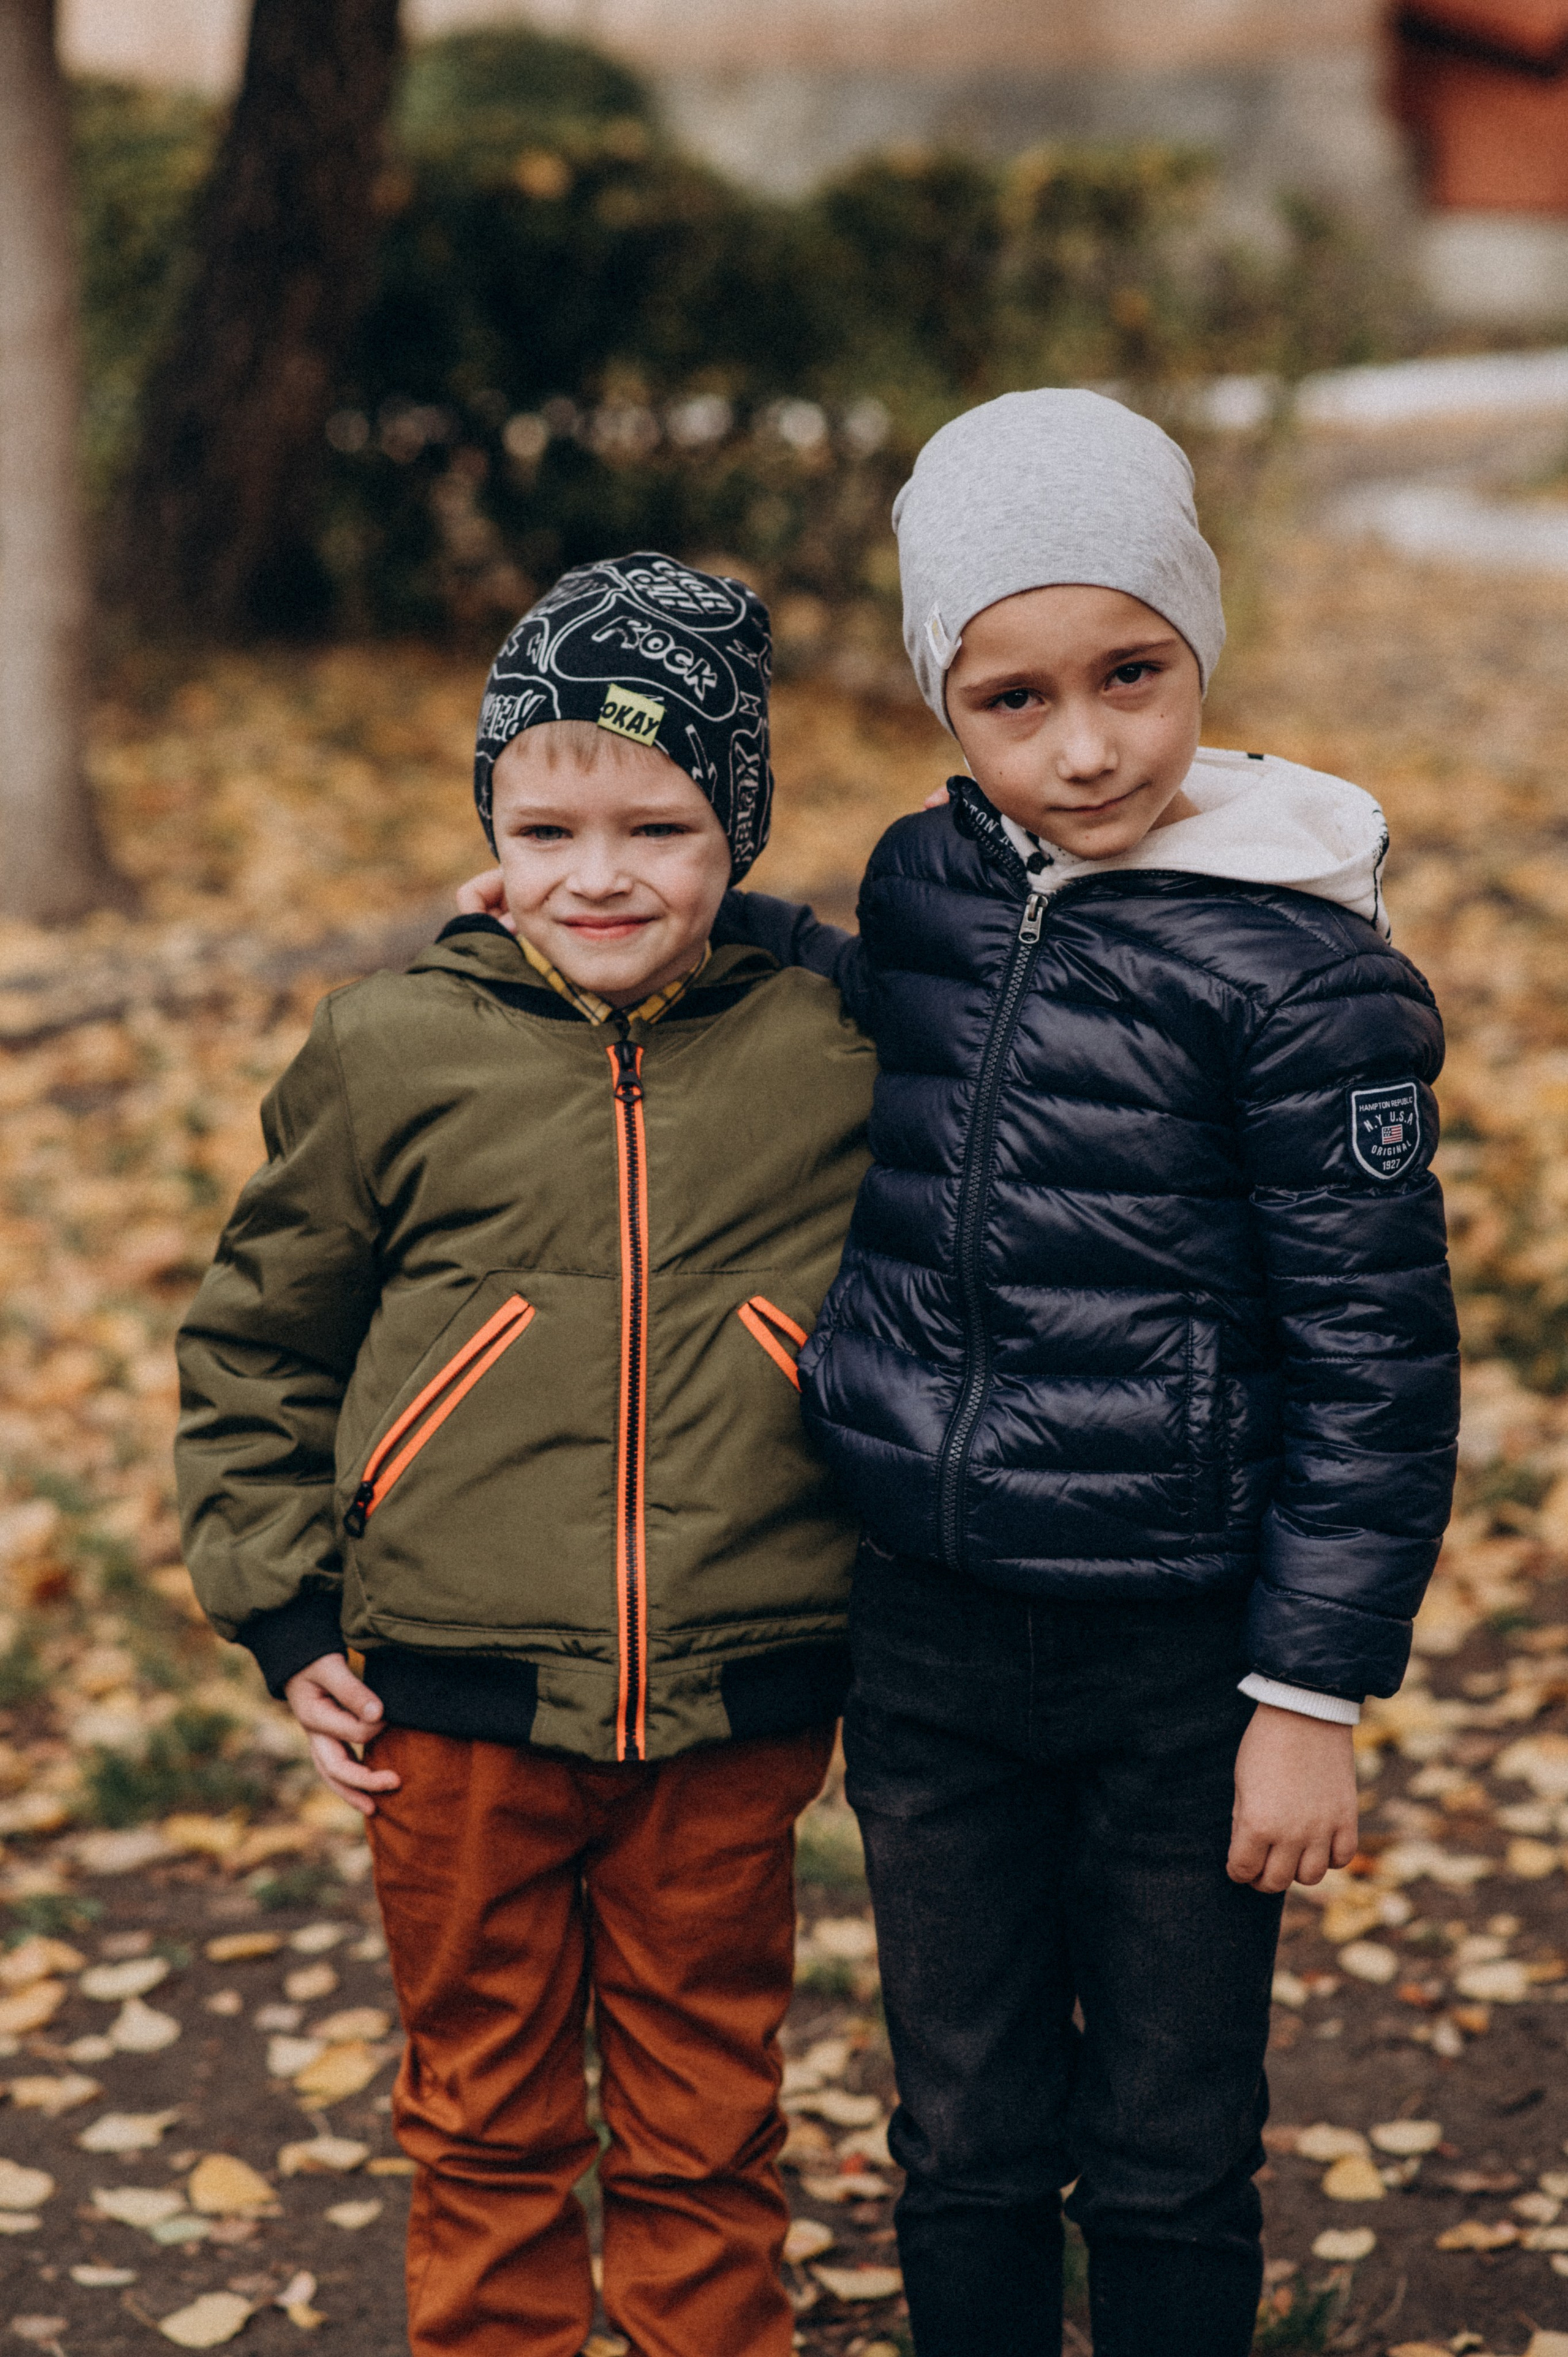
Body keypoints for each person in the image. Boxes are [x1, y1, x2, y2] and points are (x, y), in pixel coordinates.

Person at [686, 393, 1460, 2356]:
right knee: (960, 2128)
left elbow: (1380, 1362)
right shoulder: (935, 879)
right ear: (950, 705)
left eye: (1132, 673)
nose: (1084, 745)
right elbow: (893, 1003)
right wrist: (675, 924)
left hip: (1181, 1663)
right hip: (933, 1641)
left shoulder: (1304, 980)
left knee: (1171, 2143)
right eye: (1011, 699)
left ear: (1200, 641)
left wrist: (1313, 1693)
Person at [175, 553, 876, 2357]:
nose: (602, 875)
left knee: (708, 2121)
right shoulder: (392, 1049)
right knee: (482, 2122)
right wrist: (283, 1612)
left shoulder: (830, 1048)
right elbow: (261, 1344)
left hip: (737, 1698)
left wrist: (801, 941)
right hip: (453, 1708)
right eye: (547, 826)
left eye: (661, 826)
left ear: (742, 837)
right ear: (489, 827)